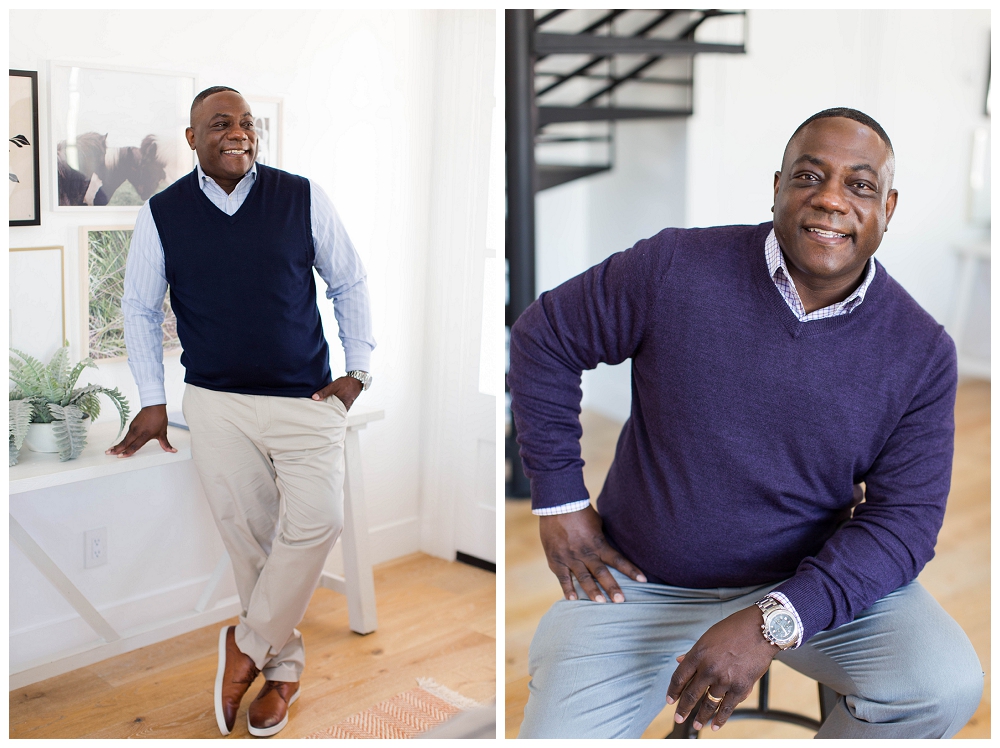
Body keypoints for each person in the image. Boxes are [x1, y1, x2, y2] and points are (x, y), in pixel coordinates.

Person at [507, 108, 983, 739]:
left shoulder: (920, 350)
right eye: (809, 176)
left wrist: (772, 620)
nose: (831, 200)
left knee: (945, 685)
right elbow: (545, 336)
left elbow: (905, 523)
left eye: (859, 186)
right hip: (641, 582)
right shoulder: (675, 266)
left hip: (804, 584)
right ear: (778, 186)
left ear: (887, 207)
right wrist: (560, 502)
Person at [109, 86, 375, 737]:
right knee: (251, 541)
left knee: (317, 522)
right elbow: (140, 310)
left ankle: (246, 647)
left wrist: (357, 370)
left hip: (306, 398)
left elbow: (350, 280)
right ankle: (282, 676)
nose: (239, 133)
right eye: (221, 124)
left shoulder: (300, 196)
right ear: (192, 138)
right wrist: (150, 401)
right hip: (217, 403)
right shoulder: (161, 213)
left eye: (247, 124)